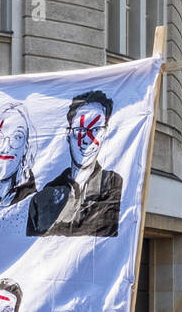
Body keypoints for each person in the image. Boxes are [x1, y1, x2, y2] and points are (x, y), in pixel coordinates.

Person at [26, 89, 123, 237]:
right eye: (80, 129)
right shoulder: (43, 198)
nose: (86, 139)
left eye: (95, 130)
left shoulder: (114, 186)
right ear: (68, 134)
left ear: (105, 134)